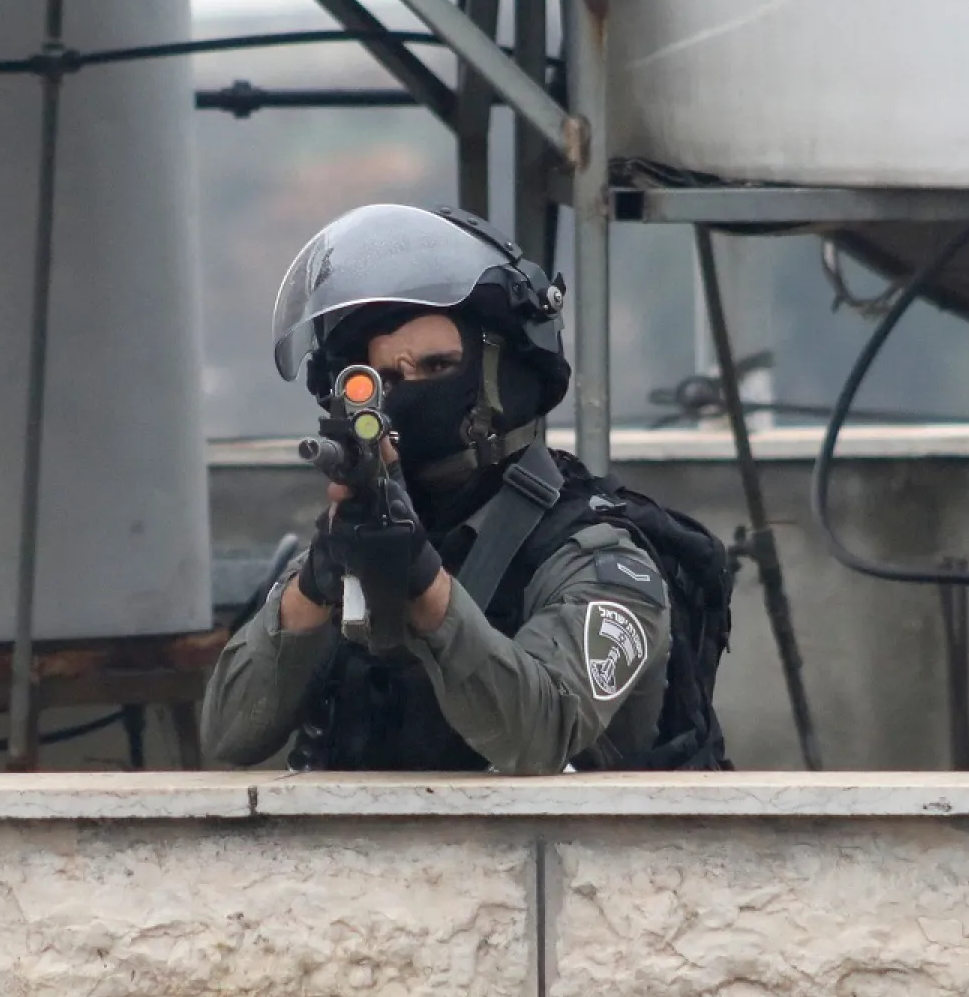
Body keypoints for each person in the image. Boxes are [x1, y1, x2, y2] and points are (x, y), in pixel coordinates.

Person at [201, 203, 732, 775]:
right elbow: (228, 735)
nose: (409, 394)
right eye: (386, 379)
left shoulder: (598, 563)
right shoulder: (344, 548)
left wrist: (422, 585)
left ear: (503, 379)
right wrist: (316, 583)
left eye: (436, 368)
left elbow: (539, 734)